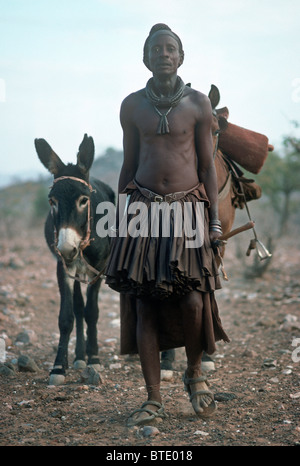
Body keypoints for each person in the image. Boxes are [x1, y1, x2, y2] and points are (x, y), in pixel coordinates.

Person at [105, 23, 229, 427]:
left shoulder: (197, 104)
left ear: (181, 57)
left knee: (193, 300)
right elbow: (128, 163)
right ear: (145, 58)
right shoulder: (131, 106)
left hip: (188, 209)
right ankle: (153, 398)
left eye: (170, 48)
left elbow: (207, 165)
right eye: (155, 48)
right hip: (143, 209)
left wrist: (212, 218)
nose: (163, 53)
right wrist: (122, 214)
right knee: (145, 304)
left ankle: (195, 374)